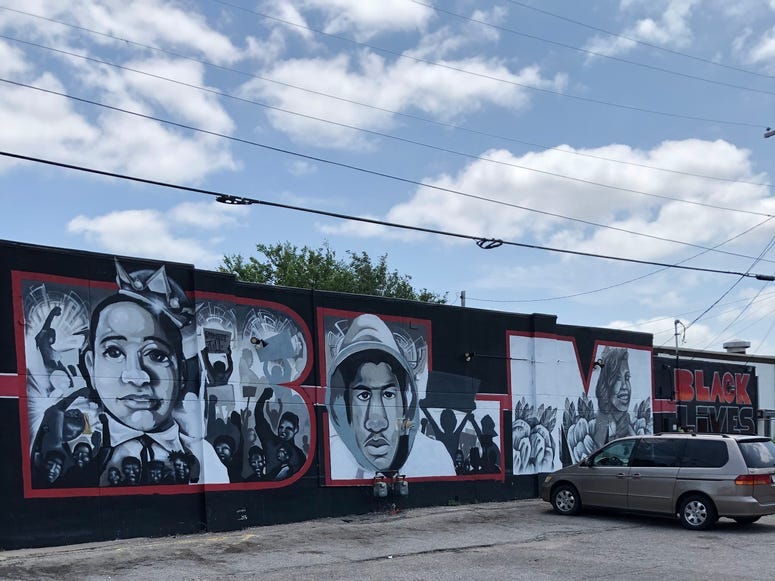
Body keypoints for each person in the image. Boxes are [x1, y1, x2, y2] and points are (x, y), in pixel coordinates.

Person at [32, 260, 228, 488]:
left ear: (181, 371)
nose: (136, 376)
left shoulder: (208, 463)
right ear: (91, 365)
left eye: (156, 355)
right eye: (114, 351)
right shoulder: (70, 452)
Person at [326, 314, 453, 478]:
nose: (377, 422)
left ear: (405, 402)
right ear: (341, 407)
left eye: (388, 394)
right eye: (364, 395)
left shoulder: (436, 457)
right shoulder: (332, 456)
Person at [254, 387, 306, 479]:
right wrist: (263, 398)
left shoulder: (299, 455)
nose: (283, 431)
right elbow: (259, 417)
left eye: (288, 428)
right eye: (281, 427)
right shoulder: (270, 442)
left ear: (296, 429)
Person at [592, 347, 634, 449]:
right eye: (618, 378)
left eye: (627, 378)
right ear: (606, 384)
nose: (624, 386)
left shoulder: (625, 420)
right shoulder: (602, 422)